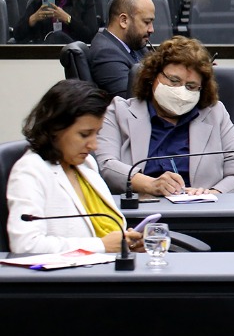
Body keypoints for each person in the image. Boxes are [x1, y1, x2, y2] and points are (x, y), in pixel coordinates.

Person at [96, 36, 234, 197]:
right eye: (174, 81)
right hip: (142, 207)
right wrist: (150, 185)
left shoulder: (215, 113)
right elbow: (106, 166)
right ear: (153, 76)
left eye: (191, 86)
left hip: (200, 209)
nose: (181, 91)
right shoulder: (119, 111)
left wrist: (211, 194)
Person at [6, 79, 142, 255]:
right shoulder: (29, 171)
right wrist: (101, 245)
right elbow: (25, 245)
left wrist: (127, 242)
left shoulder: (86, 164)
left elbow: (108, 229)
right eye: (84, 134)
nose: (93, 145)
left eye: (97, 134)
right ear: (55, 128)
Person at [87, 0, 155, 99]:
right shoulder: (105, 53)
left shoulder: (135, 43)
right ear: (124, 21)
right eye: (146, 22)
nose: (151, 29)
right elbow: (133, 99)